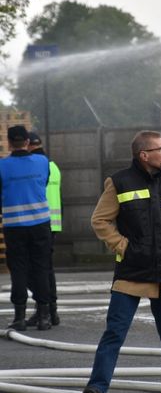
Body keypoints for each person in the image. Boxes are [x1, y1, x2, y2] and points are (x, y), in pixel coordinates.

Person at [83, 130, 161, 393]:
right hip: (131, 274)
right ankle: (97, 387)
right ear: (145, 155)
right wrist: (123, 246)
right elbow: (100, 220)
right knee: (114, 335)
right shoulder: (119, 182)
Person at [0, 125, 52, 331]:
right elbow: (45, 182)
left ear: (9, 143)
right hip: (40, 224)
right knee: (41, 268)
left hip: (14, 226)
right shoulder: (42, 161)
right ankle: (44, 316)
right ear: (28, 142)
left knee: (18, 270)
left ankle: (19, 317)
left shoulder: (2, 166)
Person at [24, 131, 61, 326]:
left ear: (28, 144)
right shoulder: (52, 166)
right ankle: (51, 311)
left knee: (33, 270)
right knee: (46, 269)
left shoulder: (33, 167)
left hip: (38, 222)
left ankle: (43, 309)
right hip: (52, 223)